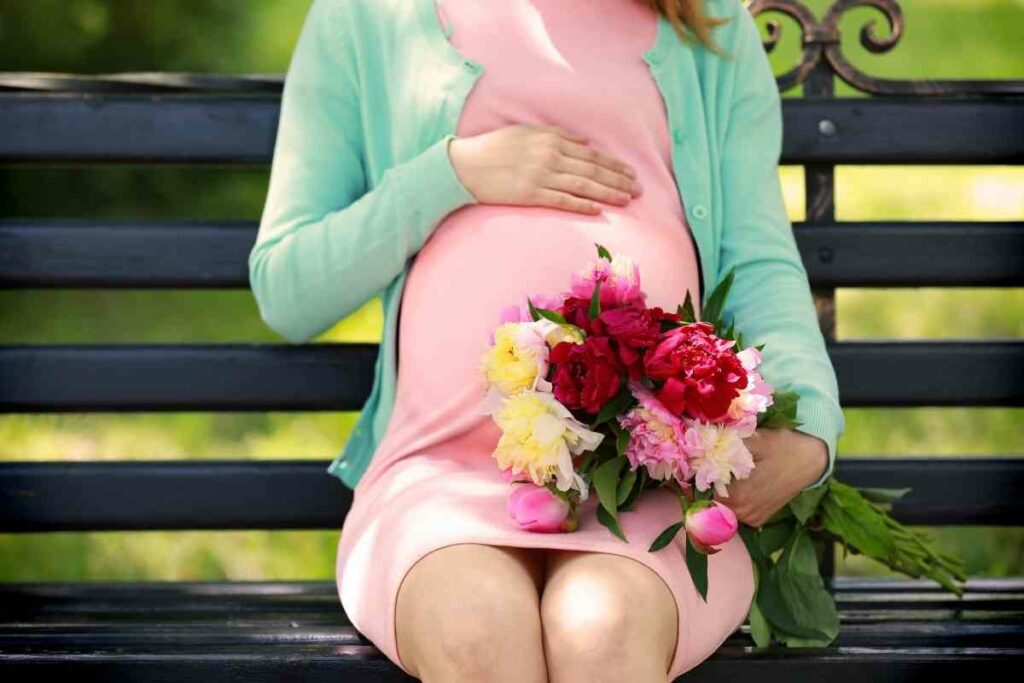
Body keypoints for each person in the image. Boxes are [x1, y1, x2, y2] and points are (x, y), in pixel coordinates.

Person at [249, 0, 845, 680]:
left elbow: (757, 258)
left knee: (603, 633)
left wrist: (811, 422)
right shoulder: (368, 14)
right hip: (439, 477)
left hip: (645, 485)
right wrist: (450, 175)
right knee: (474, 633)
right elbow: (287, 289)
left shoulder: (703, 20)